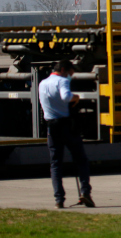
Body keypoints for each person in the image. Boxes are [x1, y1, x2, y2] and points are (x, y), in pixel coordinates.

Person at [38, 59, 95, 209]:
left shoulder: (43, 83)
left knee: (56, 164)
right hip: (66, 125)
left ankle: (59, 198)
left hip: (51, 126)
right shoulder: (61, 81)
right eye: (70, 73)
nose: (70, 77)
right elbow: (66, 97)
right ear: (63, 70)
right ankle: (85, 193)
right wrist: (75, 97)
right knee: (81, 160)